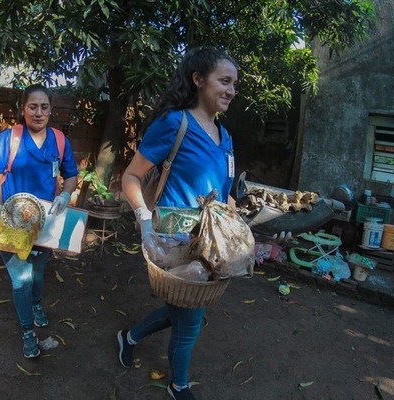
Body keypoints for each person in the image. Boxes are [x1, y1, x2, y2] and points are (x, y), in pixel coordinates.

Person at [119, 47, 239, 400]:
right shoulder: (175, 124)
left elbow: (225, 195)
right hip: (175, 243)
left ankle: (129, 336)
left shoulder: (226, 137)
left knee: (186, 312)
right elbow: (131, 176)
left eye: (235, 83)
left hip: (209, 245)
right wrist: (145, 223)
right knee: (189, 323)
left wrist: (243, 231)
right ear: (199, 80)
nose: (232, 90)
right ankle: (179, 387)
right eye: (225, 81)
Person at [0, 84, 78, 358]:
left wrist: (66, 195)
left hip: (45, 223)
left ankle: (36, 305)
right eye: (33, 107)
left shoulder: (59, 140)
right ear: (23, 109)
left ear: (51, 109)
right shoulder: (9, 138)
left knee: (38, 271)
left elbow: (70, 174)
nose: (39, 113)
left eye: (44, 107)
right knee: (21, 279)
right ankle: (28, 332)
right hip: (11, 221)